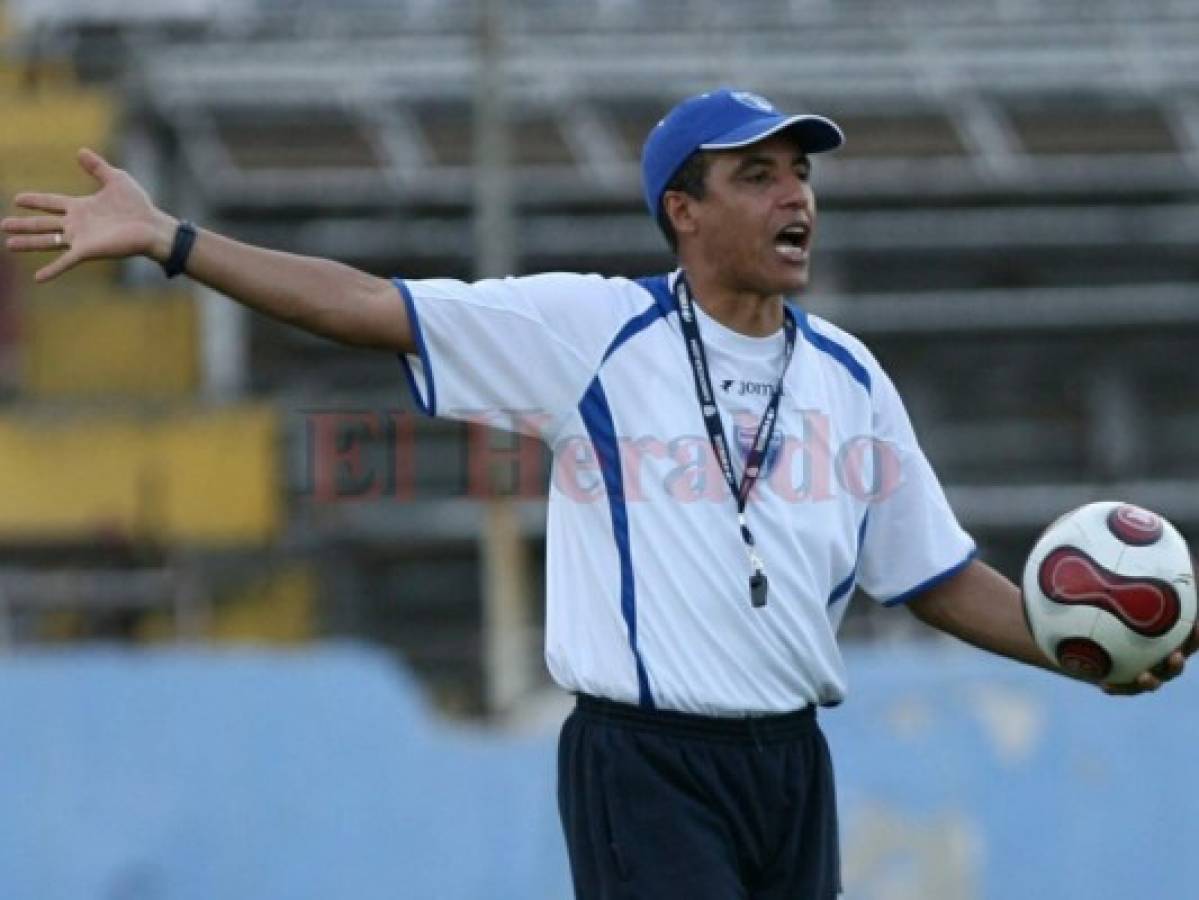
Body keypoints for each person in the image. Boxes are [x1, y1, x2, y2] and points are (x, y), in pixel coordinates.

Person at [4, 87, 1196, 899]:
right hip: (645, 761)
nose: (797, 199)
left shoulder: (846, 376)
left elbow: (932, 576)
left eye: (800, 175)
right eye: (757, 176)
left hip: (792, 767)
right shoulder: (591, 330)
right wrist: (174, 242)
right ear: (682, 209)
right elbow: (369, 304)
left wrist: (1077, 650)